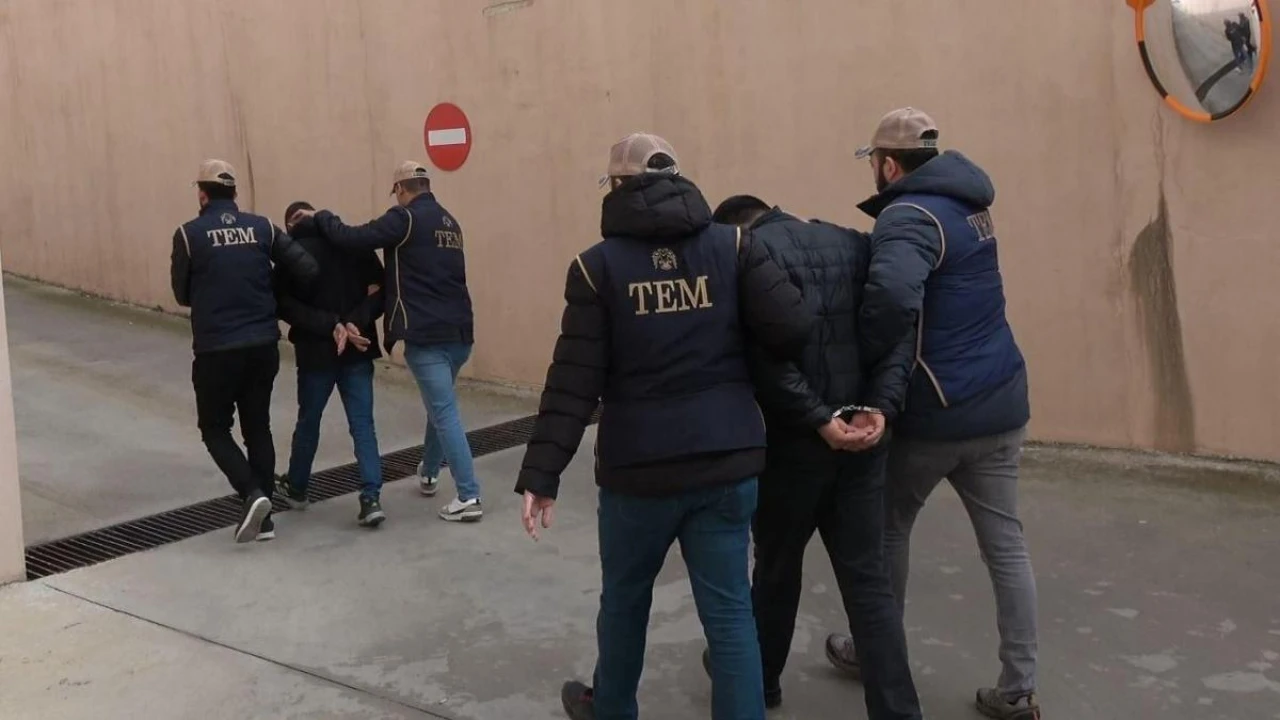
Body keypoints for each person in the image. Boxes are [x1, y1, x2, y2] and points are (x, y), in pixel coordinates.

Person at [514, 133, 812, 720]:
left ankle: (612, 708)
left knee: (625, 603)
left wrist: (543, 473)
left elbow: (574, 380)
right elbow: (793, 328)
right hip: (726, 459)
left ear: (617, 188)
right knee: (730, 614)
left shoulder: (596, 268)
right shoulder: (734, 245)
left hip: (638, 473)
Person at [824, 108, 1040, 720]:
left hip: (936, 411)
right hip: (1002, 398)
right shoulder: (970, 206)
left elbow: (892, 296)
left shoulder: (908, 215)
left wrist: (869, 364)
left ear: (889, 166)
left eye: (873, 163)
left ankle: (874, 653)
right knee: (1006, 546)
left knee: (887, 530)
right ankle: (1019, 687)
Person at [704, 195, 923, 720]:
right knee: (869, 583)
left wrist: (819, 419)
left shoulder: (749, 256)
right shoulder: (854, 243)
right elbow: (898, 328)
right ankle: (898, 712)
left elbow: (761, 358)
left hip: (792, 449)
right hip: (864, 444)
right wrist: (879, 407)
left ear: (733, 231)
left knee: (776, 569)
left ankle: (762, 684)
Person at [292, 162, 482, 522]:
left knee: (444, 412)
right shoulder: (450, 223)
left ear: (401, 190)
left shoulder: (404, 218)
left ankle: (469, 495)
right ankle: (429, 471)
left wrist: (321, 216)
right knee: (440, 405)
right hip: (460, 333)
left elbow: (353, 237)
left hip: (426, 334)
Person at [170, 159, 318, 543]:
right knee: (257, 427)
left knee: (214, 428)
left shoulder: (188, 235)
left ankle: (252, 493)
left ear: (202, 195)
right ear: (235, 193)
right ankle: (264, 522)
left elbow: (182, 294)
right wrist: (264, 284)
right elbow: (306, 268)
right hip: (263, 344)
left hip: (216, 349)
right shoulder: (263, 227)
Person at [273, 200, 387, 527]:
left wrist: (330, 325)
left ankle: (297, 487)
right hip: (358, 347)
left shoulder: (292, 254)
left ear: (290, 225)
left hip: (316, 352)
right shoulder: (351, 243)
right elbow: (381, 291)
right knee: (363, 424)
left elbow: (282, 304)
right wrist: (354, 322)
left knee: (309, 421)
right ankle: (371, 497)